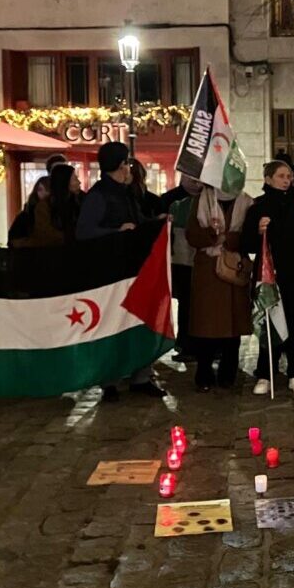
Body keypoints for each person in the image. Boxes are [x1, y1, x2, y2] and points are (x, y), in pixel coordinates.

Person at [76, 141, 167, 401]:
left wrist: (155, 224)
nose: (130, 168)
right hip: (110, 272)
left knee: (140, 321)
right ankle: (110, 382)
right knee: (112, 325)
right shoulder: (99, 195)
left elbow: (136, 224)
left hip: (134, 270)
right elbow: (84, 231)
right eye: (127, 163)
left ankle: (141, 376)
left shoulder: (127, 193)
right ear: (119, 166)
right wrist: (116, 233)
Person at [242, 160, 294, 395]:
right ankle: (266, 373)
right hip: (268, 276)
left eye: (289, 176)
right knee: (269, 322)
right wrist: (258, 231)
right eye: (281, 176)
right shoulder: (257, 207)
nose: (287, 180)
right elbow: (246, 243)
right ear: (268, 179)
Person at [187, 180, 255, 391]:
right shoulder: (202, 199)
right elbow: (191, 234)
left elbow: (250, 237)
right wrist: (212, 235)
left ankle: (228, 373)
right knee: (206, 325)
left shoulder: (246, 202)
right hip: (208, 270)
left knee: (233, 325)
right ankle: (204, 372)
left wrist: (229, 238)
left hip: (234, 268)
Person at [166, 176, 203, 364]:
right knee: (188, 304)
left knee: (189, 305)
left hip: (187, 261)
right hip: (184, 261)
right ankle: (187, 344)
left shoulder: (179, 204)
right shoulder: (177, 204)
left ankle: (188, 344)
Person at [8, 175, 75, 248]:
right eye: (40, 189)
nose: (44, 193)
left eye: (47, 189)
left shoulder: (58, 211)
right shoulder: (26, 214)